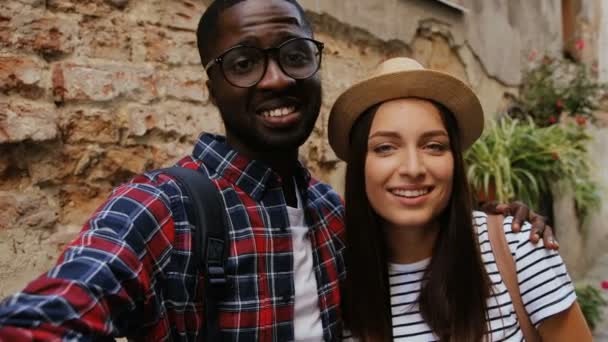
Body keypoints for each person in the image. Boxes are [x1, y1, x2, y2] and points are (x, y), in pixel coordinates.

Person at [0, 1, 554, 340]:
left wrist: (502, 225)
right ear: (210, 84)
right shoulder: (163, 207)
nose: (274, 80)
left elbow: (424, 238)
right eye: (243, 63)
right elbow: (53, 313)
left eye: (293, 55)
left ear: (315, 66)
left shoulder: (333, 215)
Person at [328, 57, 591, 341]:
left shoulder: (517, 249)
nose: (413, 168)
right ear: (359, 166)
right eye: (385, 147)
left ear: (455, 160)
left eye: (434, 146)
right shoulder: (335, 282)